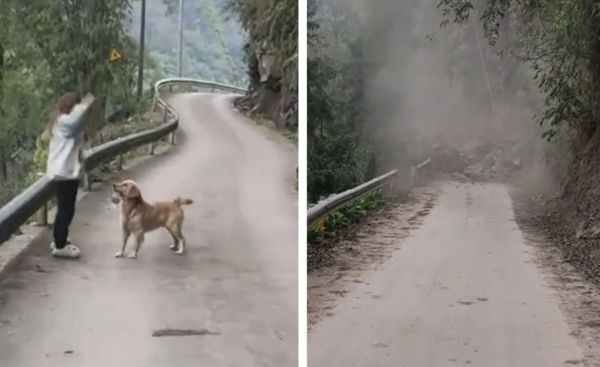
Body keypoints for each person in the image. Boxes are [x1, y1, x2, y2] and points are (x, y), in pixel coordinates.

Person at [46, 92, 95, 258]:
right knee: (66, 210)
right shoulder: (65, 122)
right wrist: (86, 102)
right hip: (65, 173)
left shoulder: (61, 122)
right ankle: (60, 245)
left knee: (64, 209)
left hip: (65, 172)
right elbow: (75, 120)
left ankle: (60, 239)